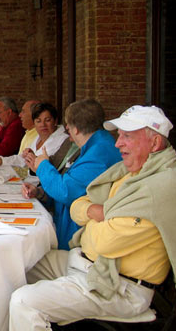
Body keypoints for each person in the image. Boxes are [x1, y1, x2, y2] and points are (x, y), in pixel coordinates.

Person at [9, 105, 176, 331]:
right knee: (16, 267)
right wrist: (96, 213)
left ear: (155, 143)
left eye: (127, 136)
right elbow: (80, 201)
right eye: (119, 135)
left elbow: (103, 242)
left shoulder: (156, 188)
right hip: (91, 264)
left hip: (118, 285)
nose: (117, 144)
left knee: (24, 302)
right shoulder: (131, 171)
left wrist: (96, 217)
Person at [21, 99, 121, 249]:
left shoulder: (99, 153)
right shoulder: (92, 145)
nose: (66, 128)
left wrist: (42, 165)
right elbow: (72, 182)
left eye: (68, 125)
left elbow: (66, 192)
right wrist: (40, 192)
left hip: (79, 243)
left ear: (76, 129)